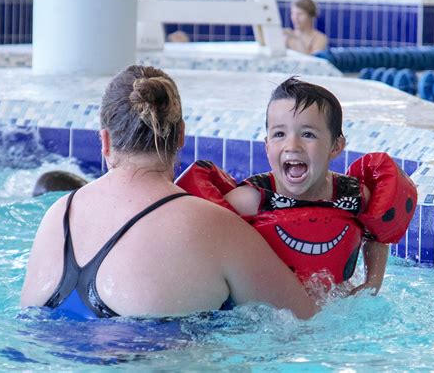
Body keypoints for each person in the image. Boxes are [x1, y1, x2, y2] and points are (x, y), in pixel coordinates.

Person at [20, 66, 320, 320]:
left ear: (105, 141)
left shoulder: (57, 213)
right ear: (180, 136)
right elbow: (305, 322)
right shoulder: (212, 225)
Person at [177, 77, 417, 295]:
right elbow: (207, 249)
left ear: (336, 146)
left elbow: (377, 234)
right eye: (279, 134)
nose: (293, 145)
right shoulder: (251, 200)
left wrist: (372, 284)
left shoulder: (353, 196)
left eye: (308, 135)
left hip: (334, 306)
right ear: (267, 145)